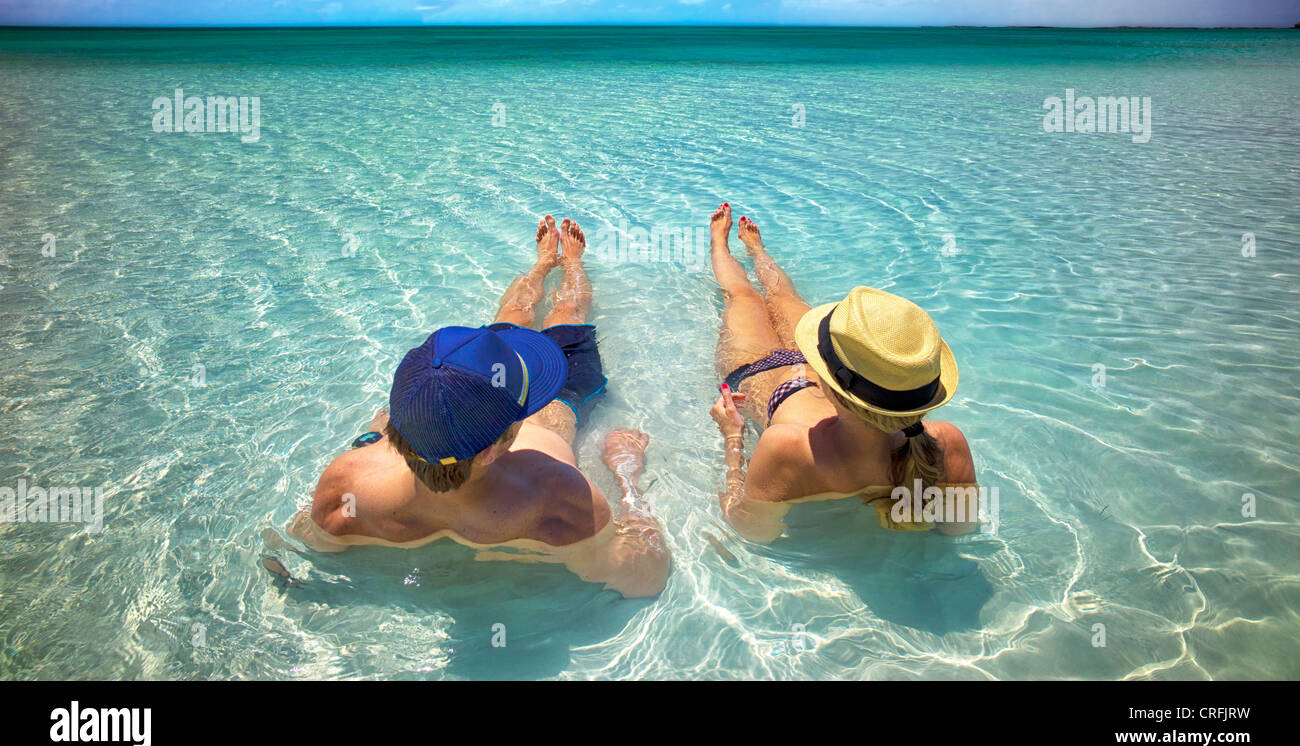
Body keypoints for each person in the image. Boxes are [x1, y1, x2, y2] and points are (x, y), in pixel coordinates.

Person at [288, 216, 670, 598]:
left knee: (512, 315)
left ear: (399, 433)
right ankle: (571, 264)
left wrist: (370, 439)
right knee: (564, 315)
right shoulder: (558, 497)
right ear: (491, 450)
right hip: (562, 397)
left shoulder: (346, 487)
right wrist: (626, 475)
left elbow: (301, 553)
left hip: (455, 394)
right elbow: (643, 575)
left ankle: (542, 265)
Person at [706, 203, 978, 542]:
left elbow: (750, 529)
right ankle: (757, 250)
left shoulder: (787, 449)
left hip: (762, 377)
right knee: (778, 294)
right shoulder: (948, 444)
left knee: (745, 295)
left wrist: (732, 438)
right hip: (813, 374)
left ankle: (722, 244)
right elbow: (959, 528)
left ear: (828, 384)